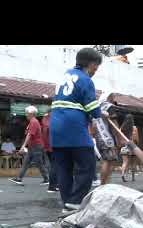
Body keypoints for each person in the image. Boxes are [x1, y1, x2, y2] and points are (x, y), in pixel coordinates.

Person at [49, 47, 103, 212]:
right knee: (87, 164)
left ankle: (68, 204)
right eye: (96, 67)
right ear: (91, 64)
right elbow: (93, 109)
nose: (95, 71)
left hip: (56, 127)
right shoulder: (85, 79)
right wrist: (100, 112)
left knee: (63, 168)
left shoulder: (65, 77)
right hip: (74, 127)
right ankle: (76, 200)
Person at [9, 106, 49, 186]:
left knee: (39, 163)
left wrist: (23, 146)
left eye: (27, 113)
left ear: (31, 114)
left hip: (36, 146)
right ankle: (19, 178)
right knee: (26, 162)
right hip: (32, 146)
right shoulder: (32, 122)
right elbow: (28, 134)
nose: (26, 115)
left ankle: (47, 179)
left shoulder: (34, 122)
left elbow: (29, 135)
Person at [93, 112, 119, 185]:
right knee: (108, 161)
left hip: (99, 138)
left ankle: (105, 183)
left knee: (106, 161)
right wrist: (117, 138)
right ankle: (104, 184)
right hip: (107, 138)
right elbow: (114, 126)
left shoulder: (94, 109)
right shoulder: (106, 107)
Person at [39, 113, 59, 193]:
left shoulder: (44, 120)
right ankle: (52, 186)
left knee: (53, 166)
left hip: (47, 147)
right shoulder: (53, 120)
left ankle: (55, 185)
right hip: (54, 146)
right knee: (55, 166)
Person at [119, 114, 137, 182]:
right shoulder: (134, 128)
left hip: (124, 146)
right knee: (133, 162)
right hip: (132, 146)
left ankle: (123, 174)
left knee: (125, 162)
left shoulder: (121, 128)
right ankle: (133, 177)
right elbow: (136, 138)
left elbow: (120, 138)